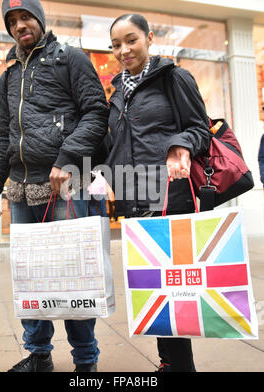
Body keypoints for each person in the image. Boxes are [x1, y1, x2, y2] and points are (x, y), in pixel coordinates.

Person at [0, 0, 109, 372]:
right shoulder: (9, 76)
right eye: (12, 20)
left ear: (39, 18)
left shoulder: (72, 59)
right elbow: (4, 136)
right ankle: (38, 356)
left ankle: (86, 362)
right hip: (20, 191)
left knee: (73, 277)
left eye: (25, 17)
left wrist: (67, 157)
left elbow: (96, 113)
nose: (20, 25)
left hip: (66, 188)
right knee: (29, 277)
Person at [107, 14, 211, 372]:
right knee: (154, 289)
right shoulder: (118, 90)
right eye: (116, 44)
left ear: (149, 38)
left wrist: (180, 145)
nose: (123, 50)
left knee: (174, 288)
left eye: (131, 40)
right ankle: (170, 362)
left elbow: (201, 129)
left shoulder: (174, 77)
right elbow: (117, 143)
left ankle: (180, 365)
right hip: (135, 202)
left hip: (171, 198)